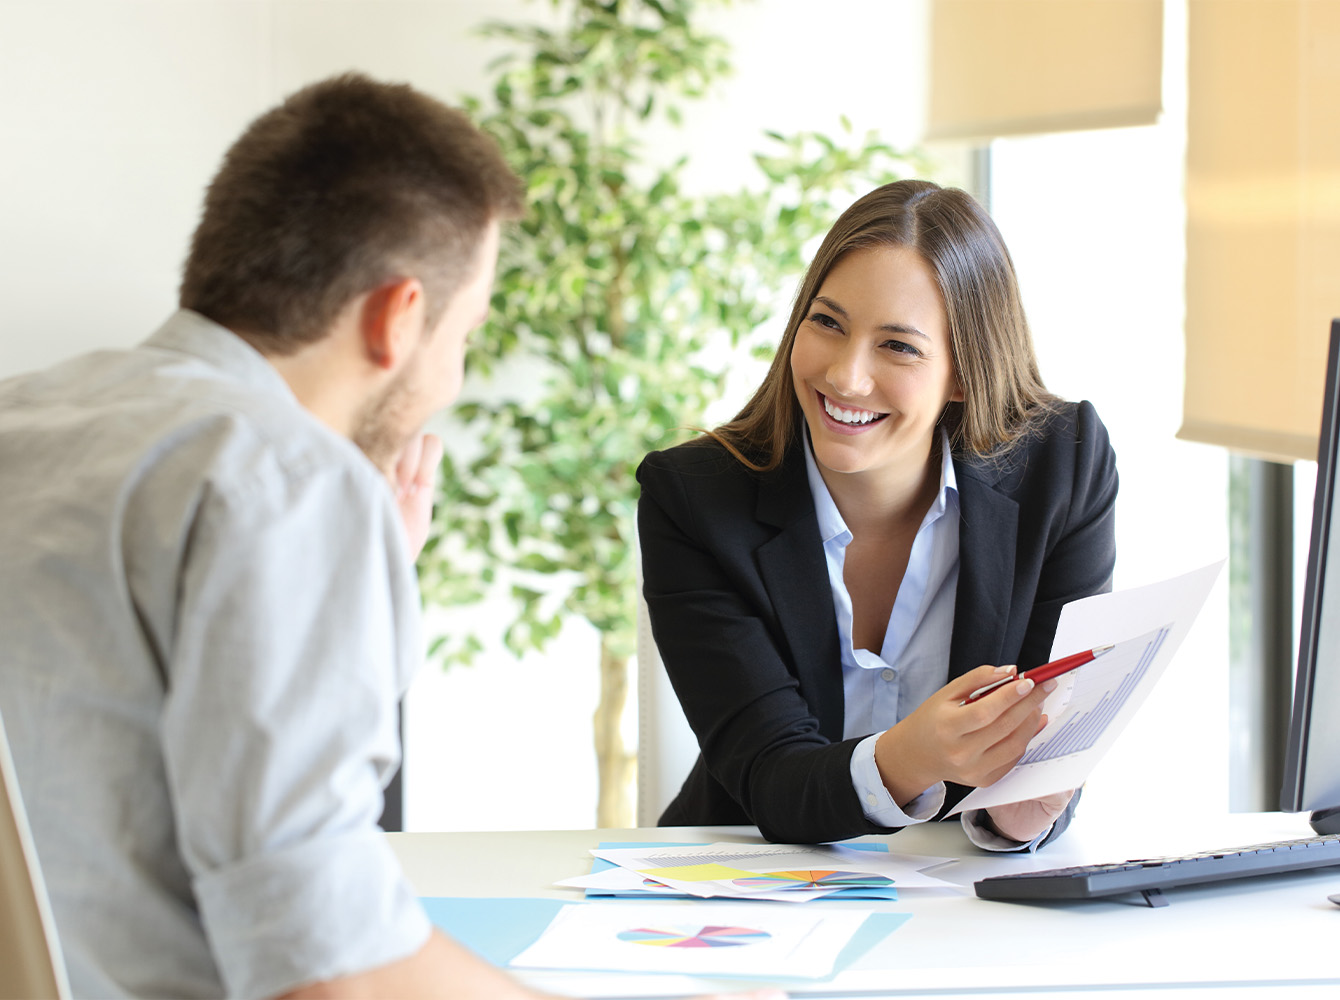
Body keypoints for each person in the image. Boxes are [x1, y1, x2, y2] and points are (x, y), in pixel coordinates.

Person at [0, 74, 782, 1000]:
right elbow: (334, 971)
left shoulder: (28, 415)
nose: (453, 376)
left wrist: (358, 598)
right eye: (467, 333)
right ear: (399, 317)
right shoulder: (283, 477)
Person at [636, 179, 1118, 849]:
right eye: (827, 323)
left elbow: (1050, 738)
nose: (846, 376)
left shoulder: (1064, 465)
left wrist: (1020, 813)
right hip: (749, 871)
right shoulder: (694, 498)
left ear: (965, 373)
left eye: (898, 346)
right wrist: (911, 755)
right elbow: (769, 773)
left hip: (955, 877)